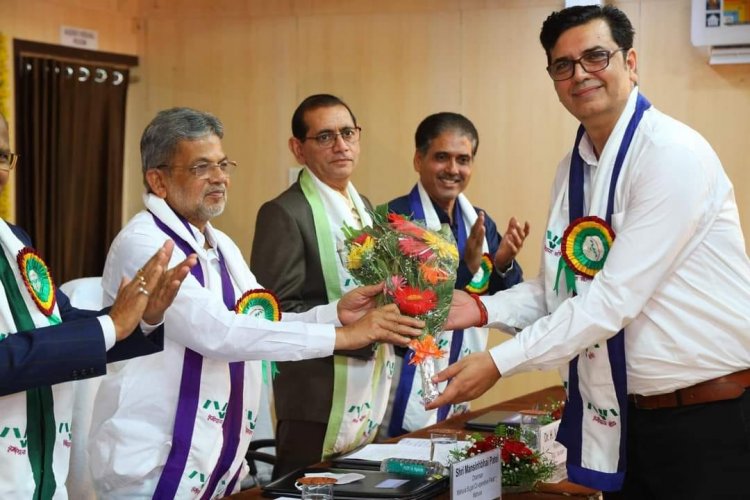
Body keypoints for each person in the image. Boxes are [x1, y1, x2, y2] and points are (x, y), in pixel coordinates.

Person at [429, 5, 750, 499]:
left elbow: (611, 300)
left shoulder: (671, 154)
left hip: (709, 420)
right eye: (563, 65)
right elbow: (561, 289)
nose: (580, 74)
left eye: (596, 57)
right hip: (628, 418)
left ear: (631, 62)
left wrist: (500, 363)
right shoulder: (573, 168)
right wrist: (480, 308)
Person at [88, 107, 422, 498]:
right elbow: (219, 332)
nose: (219, 178)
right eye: (200, 168)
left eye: (222, 164)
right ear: (157, 180)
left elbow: (263, 321)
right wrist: (342, 336)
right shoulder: (144, 244)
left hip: (214, 453)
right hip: (154, 461)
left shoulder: (220, 243)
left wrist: (334, 314)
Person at [0, 112, 196, 498]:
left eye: (3, 156)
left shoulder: (13, 238)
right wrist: (112, 325)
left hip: (39, 475)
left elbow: (61, 321)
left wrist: (143, 319)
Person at [251, 94, 394, 478]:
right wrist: (345, 321)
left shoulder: (362, 204)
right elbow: (272, 317)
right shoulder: (284, 213)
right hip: (314, 400)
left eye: (348, 133)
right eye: (325, 137)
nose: (341, 145)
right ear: (298, 149)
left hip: (367, 384)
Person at [383, 112, 528, 437]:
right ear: (418, 159)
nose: (453, 169)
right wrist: (468, 268)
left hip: (461, 371)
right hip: (404, 375)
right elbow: (413, 309)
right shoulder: (394, 220)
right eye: (441, 157)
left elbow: (509, 299)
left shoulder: (477, 221)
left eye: (463, 159)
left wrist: (502, 262)